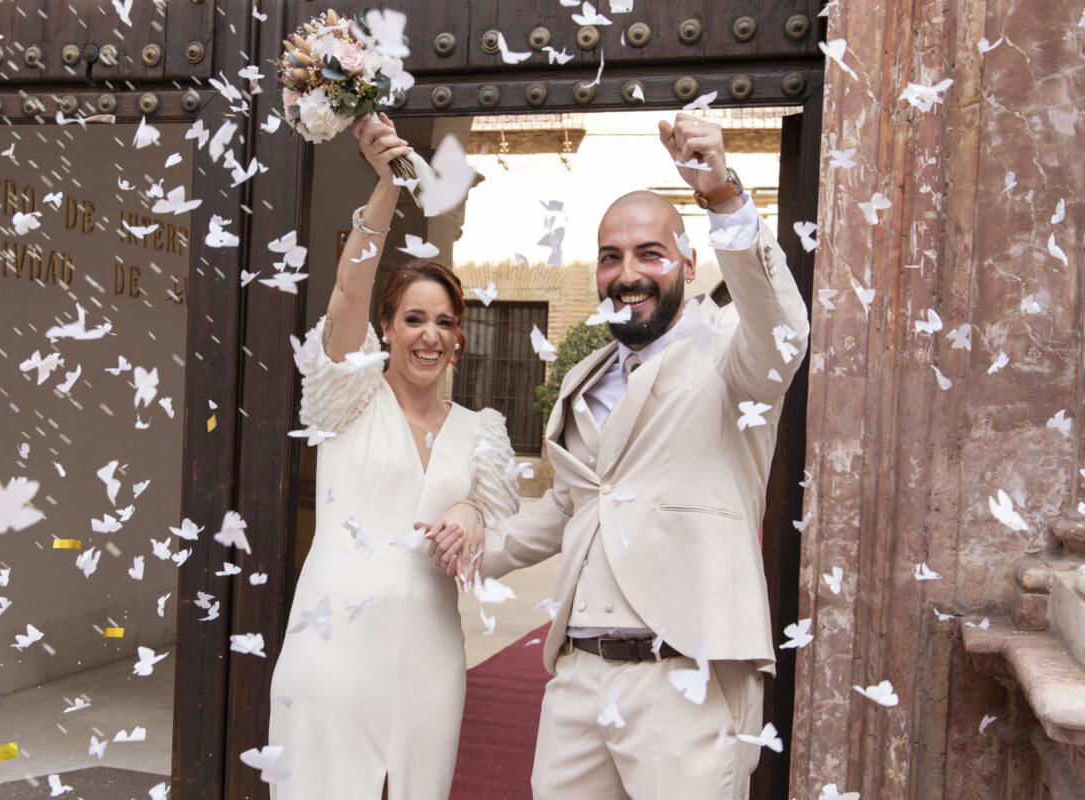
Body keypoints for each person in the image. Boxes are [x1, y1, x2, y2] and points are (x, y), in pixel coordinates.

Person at [428, 112, 810, 799]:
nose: (626, 273)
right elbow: (573, 508)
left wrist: (723, 198)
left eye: (649, 253)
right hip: (578, 675)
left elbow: (783, 330)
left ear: (690, 264)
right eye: (611, 256)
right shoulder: (583, 377)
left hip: (684, 676)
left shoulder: (731, 357)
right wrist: (470, 538)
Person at [267, 113, 519, 799]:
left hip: (430, 660)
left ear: (459, 337)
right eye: (413, 318)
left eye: (444, 322)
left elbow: (501, 543)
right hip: (334, 651)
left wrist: (471, 513)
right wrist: (385, 189)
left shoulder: (483, 431)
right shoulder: (344, 402)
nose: (430, 335)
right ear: (386, 328)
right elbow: (347, 291)